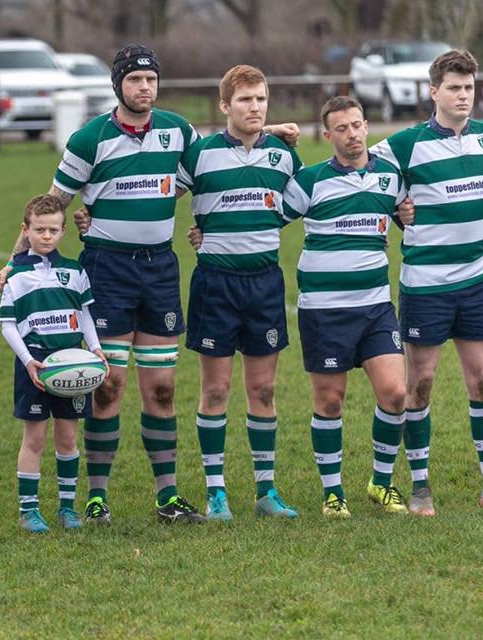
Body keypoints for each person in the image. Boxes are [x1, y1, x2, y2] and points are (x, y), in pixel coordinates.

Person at [0, 43, 295, 526]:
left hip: (159, 270)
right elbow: (52, 206)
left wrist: (270, 131)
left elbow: (221, 152)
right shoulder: (89, 139)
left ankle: (168, 498)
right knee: (107, 385)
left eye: (152, 80)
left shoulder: (178, 131)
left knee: (161, 391)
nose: (145, 88)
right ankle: (96, 498)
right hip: (107, 271)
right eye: (135, 80)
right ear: (119, 86)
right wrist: (17, 262)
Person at [370, 49, 483, 516]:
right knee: (420, 384)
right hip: (425, 285)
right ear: (433, 92)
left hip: (476, 280)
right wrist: (396, 207)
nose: (463, 96)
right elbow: (364, 176)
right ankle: (421, 484)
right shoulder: (404, 144)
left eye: (469, 88)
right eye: (454, 88)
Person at [176, 65, 303, 521]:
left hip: (265, 282)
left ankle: (266, 491)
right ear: (225, 105)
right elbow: (155, 193)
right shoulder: (201, 155)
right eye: (245, 99)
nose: (255, 107)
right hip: (215, 284)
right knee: (215, 389)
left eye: (262, 99)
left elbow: (311, 198)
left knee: (264, 390)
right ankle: (216, 493)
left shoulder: (285, 157)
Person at [282, 96, 413, 518]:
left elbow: (405, 214)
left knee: (395, 393)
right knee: (330, 401)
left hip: (376, 306)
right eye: (343, 128)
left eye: (358, 125)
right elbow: (264, 220)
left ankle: (381, 481)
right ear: (328, 135)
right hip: (324, 310)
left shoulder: (390, 179)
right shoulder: (309, 182)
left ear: (366, 126)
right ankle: (332, 493)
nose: (353, 134)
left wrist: (405, 215)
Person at [0, 194, 106, 533]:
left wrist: (96, 347)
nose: (46, 236)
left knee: (69, 438)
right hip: (36, 365)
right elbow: (6, 323)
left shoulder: (74, 270)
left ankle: (67, 508)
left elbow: (85, 313)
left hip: (72, 363)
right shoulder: (15, 274)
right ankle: (29, 511)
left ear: (62, 232)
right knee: (34, 439)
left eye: (53, 230)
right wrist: (28, 361)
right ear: (25, 230)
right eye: (40, 229)